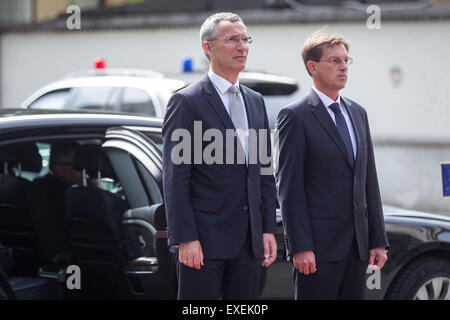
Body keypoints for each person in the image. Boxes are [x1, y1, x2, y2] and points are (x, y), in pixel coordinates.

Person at [162, 12, 277, 300]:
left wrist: (267, 229)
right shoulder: (187, 102)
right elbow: (176, 178)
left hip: (249, 244)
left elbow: (263, 170)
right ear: (208, 47)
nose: (242, 47)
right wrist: (185, 238)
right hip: (203, 242)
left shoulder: (255, 101)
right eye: (232, 40)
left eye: (245, 39)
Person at [275, 31, 389, 300]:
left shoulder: (357, 113)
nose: (343, 67)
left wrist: (377, 239)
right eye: (335, 60)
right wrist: (300, 246)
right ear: (312, 67)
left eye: (346, 60)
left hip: (357, 248)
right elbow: (289, 188)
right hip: (317, 249)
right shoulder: (295, 116)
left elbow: (368, 179)